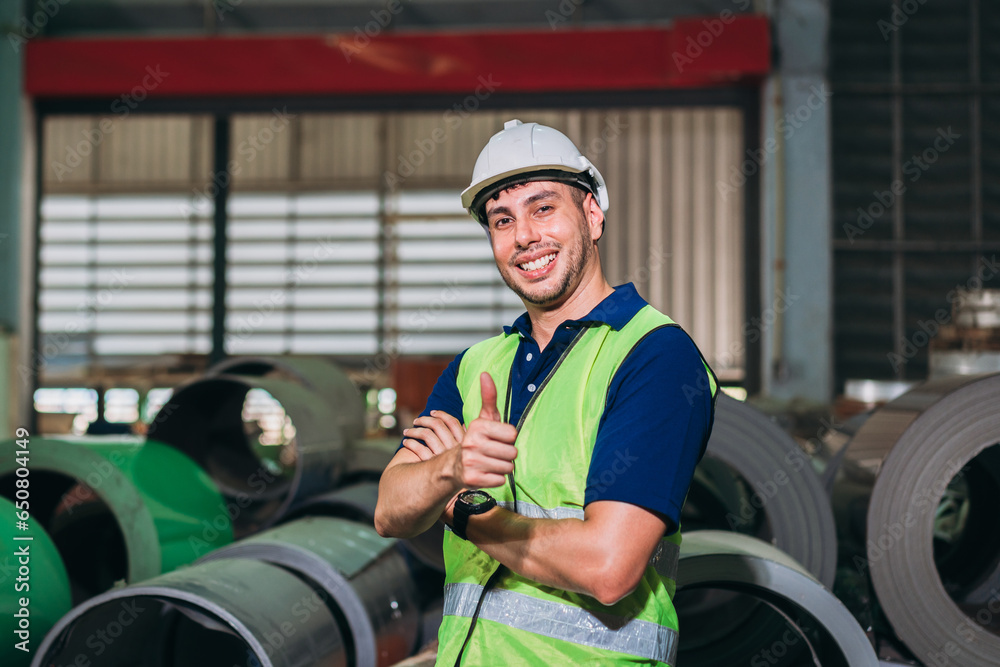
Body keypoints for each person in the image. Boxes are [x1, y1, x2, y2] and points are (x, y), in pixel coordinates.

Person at [374, 119, 717, 666]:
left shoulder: (653, 356)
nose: (524, 237)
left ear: (593, 214)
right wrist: (449, 469)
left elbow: (608, 568)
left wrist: (461, 509)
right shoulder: (477, 365)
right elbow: (390, 509)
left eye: (543, 208)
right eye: (502, 220)